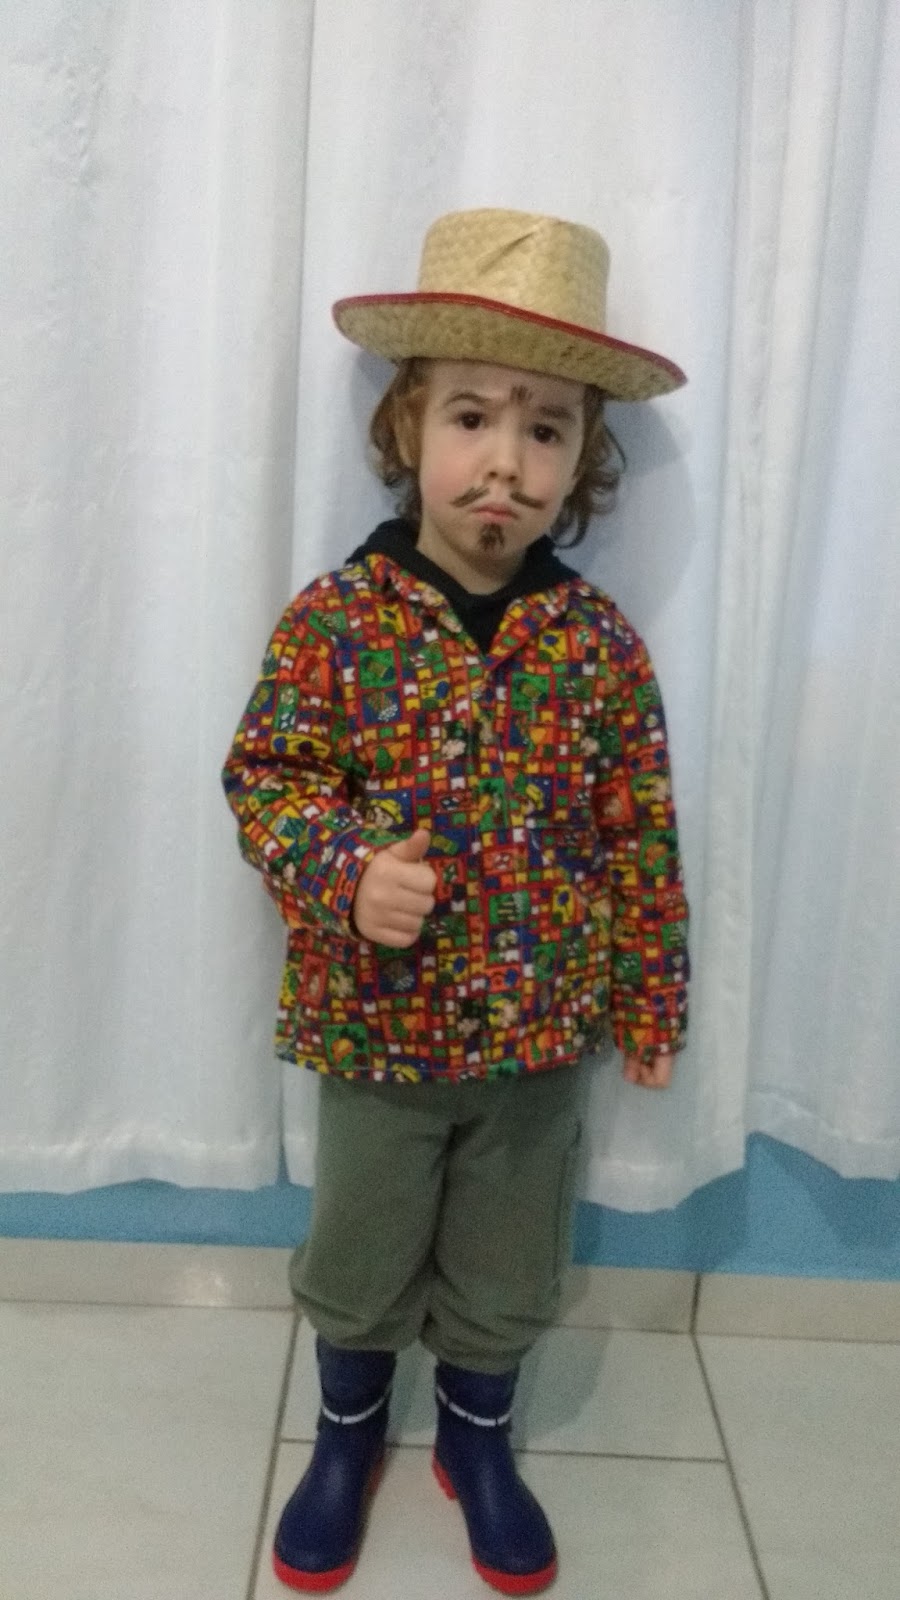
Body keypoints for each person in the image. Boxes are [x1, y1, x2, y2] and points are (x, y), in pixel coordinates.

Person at [222, 208, 690, 1595]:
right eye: (472, 417)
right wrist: (345, 872)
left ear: (582, 460)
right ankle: (348, 1432)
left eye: (547, 430)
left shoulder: (599, 648)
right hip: (377, 1031)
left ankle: (479, 1440)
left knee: (506, 1258)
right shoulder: (335, 623)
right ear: (407, 429)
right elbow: (265, 780)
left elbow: (640, 836)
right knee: (361, 1249)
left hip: (538, 1039)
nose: (505, 461)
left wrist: (650, 997)